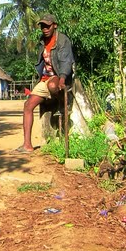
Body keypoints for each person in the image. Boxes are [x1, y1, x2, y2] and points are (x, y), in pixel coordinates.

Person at [19, 13, 74, 152]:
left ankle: (62, 102)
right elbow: (42, 63)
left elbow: (66, 62)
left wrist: (62, 79)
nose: (45, 29)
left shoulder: (62, 40)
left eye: (47, 26)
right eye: (42, 26)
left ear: (54, 25)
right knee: (28, 106)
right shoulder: (42, 41)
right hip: (45, 78)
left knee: (53, 86)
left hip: (58, 76)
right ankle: (27, 145)